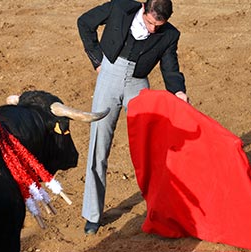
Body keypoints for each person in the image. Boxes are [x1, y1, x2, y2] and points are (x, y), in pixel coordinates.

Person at [77, 0, 189, 234]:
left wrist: (178, 92)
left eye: (158, 26)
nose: (152, 30)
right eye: (149, 23)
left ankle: (158, 212)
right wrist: (98, 61)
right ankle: (93, 215)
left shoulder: (169, 35)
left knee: (150, 148)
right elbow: (85, 23)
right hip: (108, 76)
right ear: (144, 10)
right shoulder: (120, 8)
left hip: (137, 86)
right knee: (99, 144)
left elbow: (170, 68)